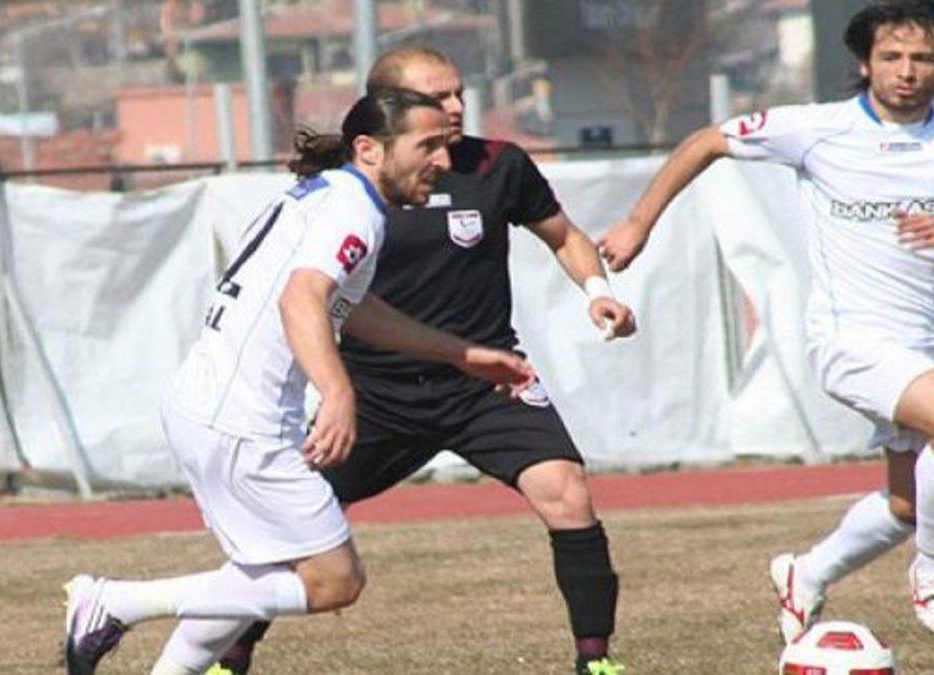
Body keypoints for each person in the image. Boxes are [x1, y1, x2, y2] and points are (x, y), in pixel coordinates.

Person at [62, 88, 539, 674]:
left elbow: (352, 308)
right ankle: (113, 603)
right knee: (334, 580)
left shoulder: (331, 195)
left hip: (211, 406)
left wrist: (461, 354)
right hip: (242, 420)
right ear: (369, 149)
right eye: (428, 146)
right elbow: (301, 298)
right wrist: (339, 392)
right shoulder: (353, 210)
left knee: (257, 573)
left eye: (445, 145)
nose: (443, 160)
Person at [598, 0, 934, 643]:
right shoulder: (819, 128)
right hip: (854, 339)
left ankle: (807, 573)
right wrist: (637, 224)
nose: (907, 71)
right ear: (865, 63)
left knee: (908, 505)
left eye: (923, 58)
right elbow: (707, 142)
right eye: (892, 57)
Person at [215, 48, 635, 675]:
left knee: (567, 492)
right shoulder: (352, 187)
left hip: (485, 384)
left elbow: (566, 236)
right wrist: (332, 388)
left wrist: (598, 292)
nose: (457, 107)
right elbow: (306, 291)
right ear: (387, 115)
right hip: (374, 392)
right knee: (290, 529)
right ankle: (228, 659)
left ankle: (596, 663)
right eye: (438, 99)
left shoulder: (499, 165)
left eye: (459, 92)